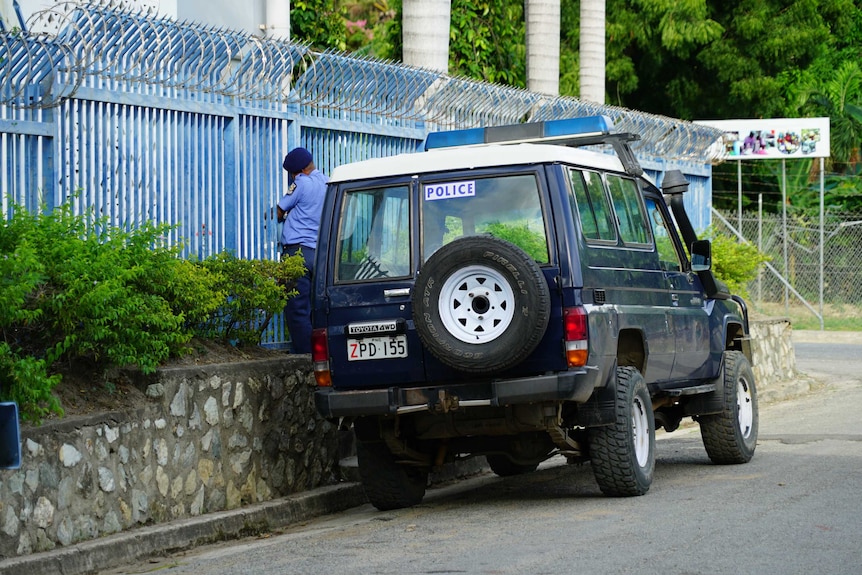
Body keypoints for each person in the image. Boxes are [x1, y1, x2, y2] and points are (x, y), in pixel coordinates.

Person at [277, 146, 329, 354]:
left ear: (295, 172)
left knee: (297, 308)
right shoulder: (327, 181)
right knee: (316, 307)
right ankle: (322, 352)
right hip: (321, 253)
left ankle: (305, 354)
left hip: (297, 253)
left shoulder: (300, 183)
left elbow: (280, 210)